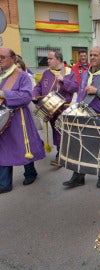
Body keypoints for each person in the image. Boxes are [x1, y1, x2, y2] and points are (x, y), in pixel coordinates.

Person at [62, 46, 100, 189]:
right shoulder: (86, 74)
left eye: (96, 55)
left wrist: (97, 91)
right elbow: (81, 93)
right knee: (81, 146)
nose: (92, 57)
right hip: (84, 115)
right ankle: (78, 177)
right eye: (91, 55)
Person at [0, 47, 45, 192]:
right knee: (3, 149)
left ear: (12, 59)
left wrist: (4, 94)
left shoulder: (22, 76)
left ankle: (30, 172)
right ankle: (4, 183)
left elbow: (26, 97)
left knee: (24, 146)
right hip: (2, 118)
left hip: (19, 118)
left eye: (2, 57)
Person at [33, 50, 78, 166]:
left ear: (58, 59)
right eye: (48, 59)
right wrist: (35, 94)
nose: (47, 61)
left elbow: (75, 87)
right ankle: (61, 154)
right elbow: (39, 86)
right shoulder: (46, 73)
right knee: (55, 132)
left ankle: (61, 156)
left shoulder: (68, 72)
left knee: (61, 132)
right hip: (49, 108)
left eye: (50, 58)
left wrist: (64, 80)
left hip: (62, 108)